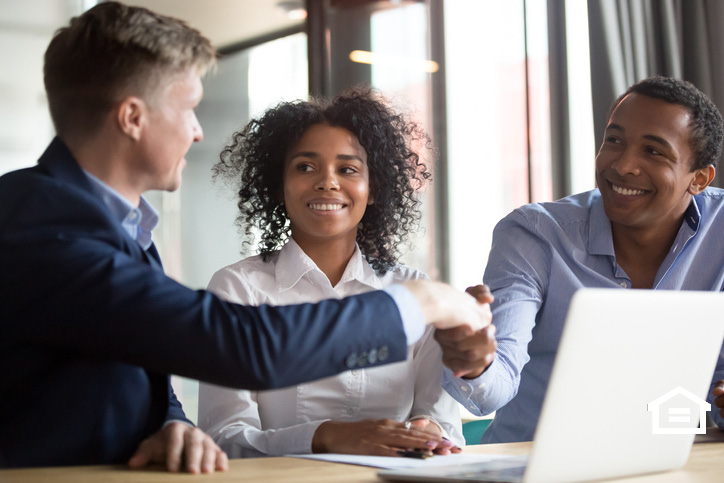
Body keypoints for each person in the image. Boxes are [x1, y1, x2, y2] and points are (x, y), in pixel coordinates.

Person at [0, 2, 492, 471]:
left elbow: (149, 379)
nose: (196, 131)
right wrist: (421, 302)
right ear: (132, 118)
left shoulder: (119, 226)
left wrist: (173, 426)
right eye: (189, 107)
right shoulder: (42, 224)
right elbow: (245, 347)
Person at [436, 76, 724, 443]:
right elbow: (494, 388)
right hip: (531, 468)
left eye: (653, 152)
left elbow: (717, 387)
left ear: (698, 179)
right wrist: (475, 363)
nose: (623, 165)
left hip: (669, 464)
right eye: (614, 140)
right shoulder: (534, 234)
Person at [198, 89, 464, 458]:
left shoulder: (414, 290)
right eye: (305, 167)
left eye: (348, 169)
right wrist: (325, 437)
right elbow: (223, 438)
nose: (328, 182)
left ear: (373, 189)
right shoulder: (238, 289)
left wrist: (426, 432)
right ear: (280, 185)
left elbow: (443, 424)